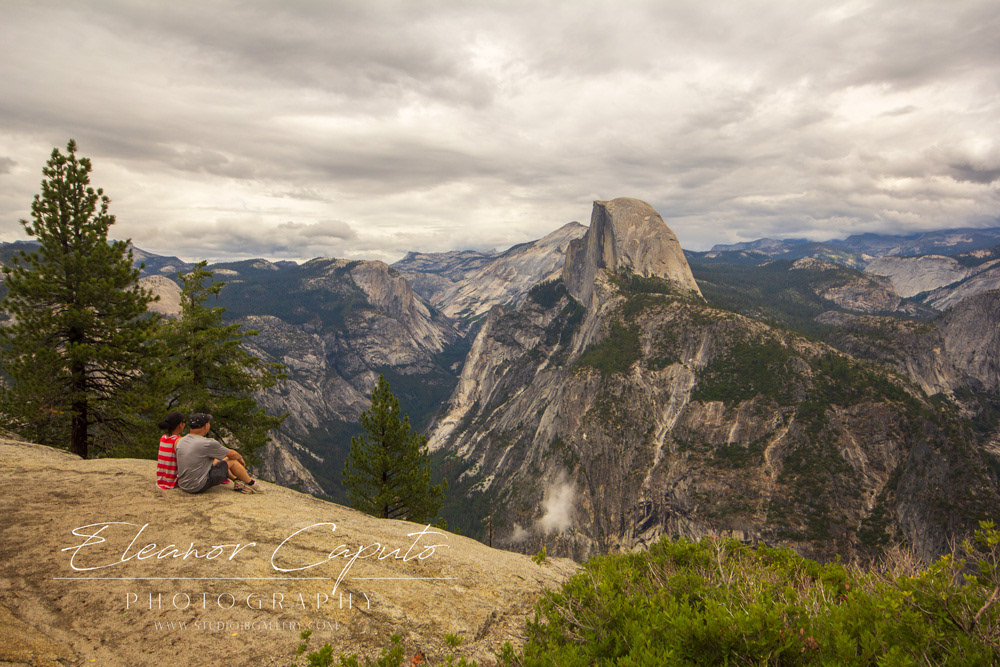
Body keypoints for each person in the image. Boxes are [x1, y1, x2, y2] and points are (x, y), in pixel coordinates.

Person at [175, 413, 262, 494]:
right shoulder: (207, 443)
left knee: (217, 459)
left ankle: (237, 481)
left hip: (183, 484)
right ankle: (252, 484)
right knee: (232, 461)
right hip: (198, 486)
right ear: (206, 426)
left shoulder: (181, 440)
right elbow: (232, 454)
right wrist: (240, 458)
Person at [156, 411, 185, 489]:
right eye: (184, 422)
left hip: (161, 480)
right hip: (173, 481)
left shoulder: (163, 438)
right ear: (180, 425)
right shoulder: (179, 440)